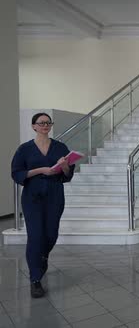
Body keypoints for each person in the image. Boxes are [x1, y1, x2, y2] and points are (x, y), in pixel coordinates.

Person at [11, 113, 75, 298]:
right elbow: (16, 173)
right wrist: (41, 170)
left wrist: (63, 166)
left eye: (48, 122)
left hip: (55, 194)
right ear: (34, 126)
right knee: (36, 235)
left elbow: (67, 175)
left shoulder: (60, 147)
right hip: (32, 195)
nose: (45, 125)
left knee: (51, 234)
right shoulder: (24, 149)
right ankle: (35, 279)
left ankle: (42, 257)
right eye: (41, 123)